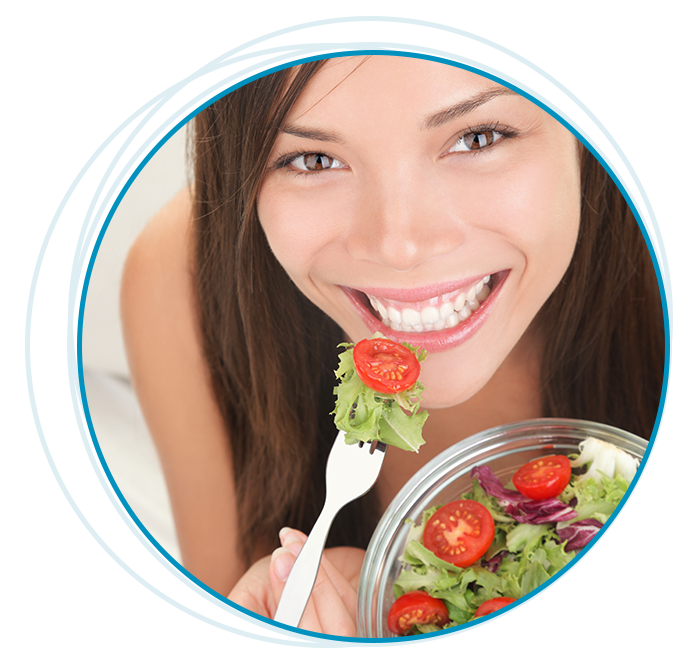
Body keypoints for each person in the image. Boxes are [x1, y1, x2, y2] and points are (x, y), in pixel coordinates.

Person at [120, 48, 665, 644]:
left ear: (590, 124)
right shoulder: (187, 281)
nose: (398, 244)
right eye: (313, 158)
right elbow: (211, 631)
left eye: (478, 138)